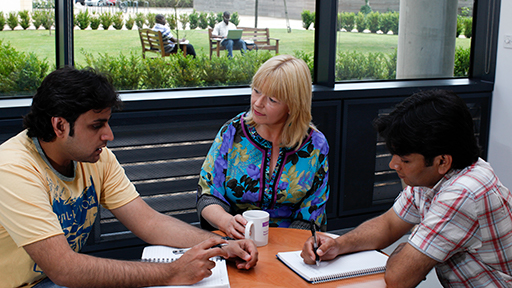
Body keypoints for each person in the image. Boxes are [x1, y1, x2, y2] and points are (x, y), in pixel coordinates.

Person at [0, 66, 257, 288]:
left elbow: (149, 223)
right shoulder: (13, 169)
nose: (108, 135)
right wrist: (172, 273)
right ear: (59, 126)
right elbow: (65, 268)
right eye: (96, 125)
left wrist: (221, 245)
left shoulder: (96, 158)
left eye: (107, 122)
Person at [301, 90, 512, 287]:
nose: (393, 165)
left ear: (442, 162)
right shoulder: (434, 176)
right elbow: (389, 224)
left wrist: (410, 242)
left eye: (405, 160)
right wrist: (338, 244)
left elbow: (398, 278)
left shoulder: (462, 194)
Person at [197, 55, 330, 240]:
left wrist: (283, 251)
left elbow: (311, 213)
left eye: (272, 100)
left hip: (291, 245)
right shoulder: (232, 131)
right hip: (235, 241)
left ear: (292, 105)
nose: (258, 103)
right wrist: (226, 222)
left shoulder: (315, 145)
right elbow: (208, 193)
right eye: (256, 91)